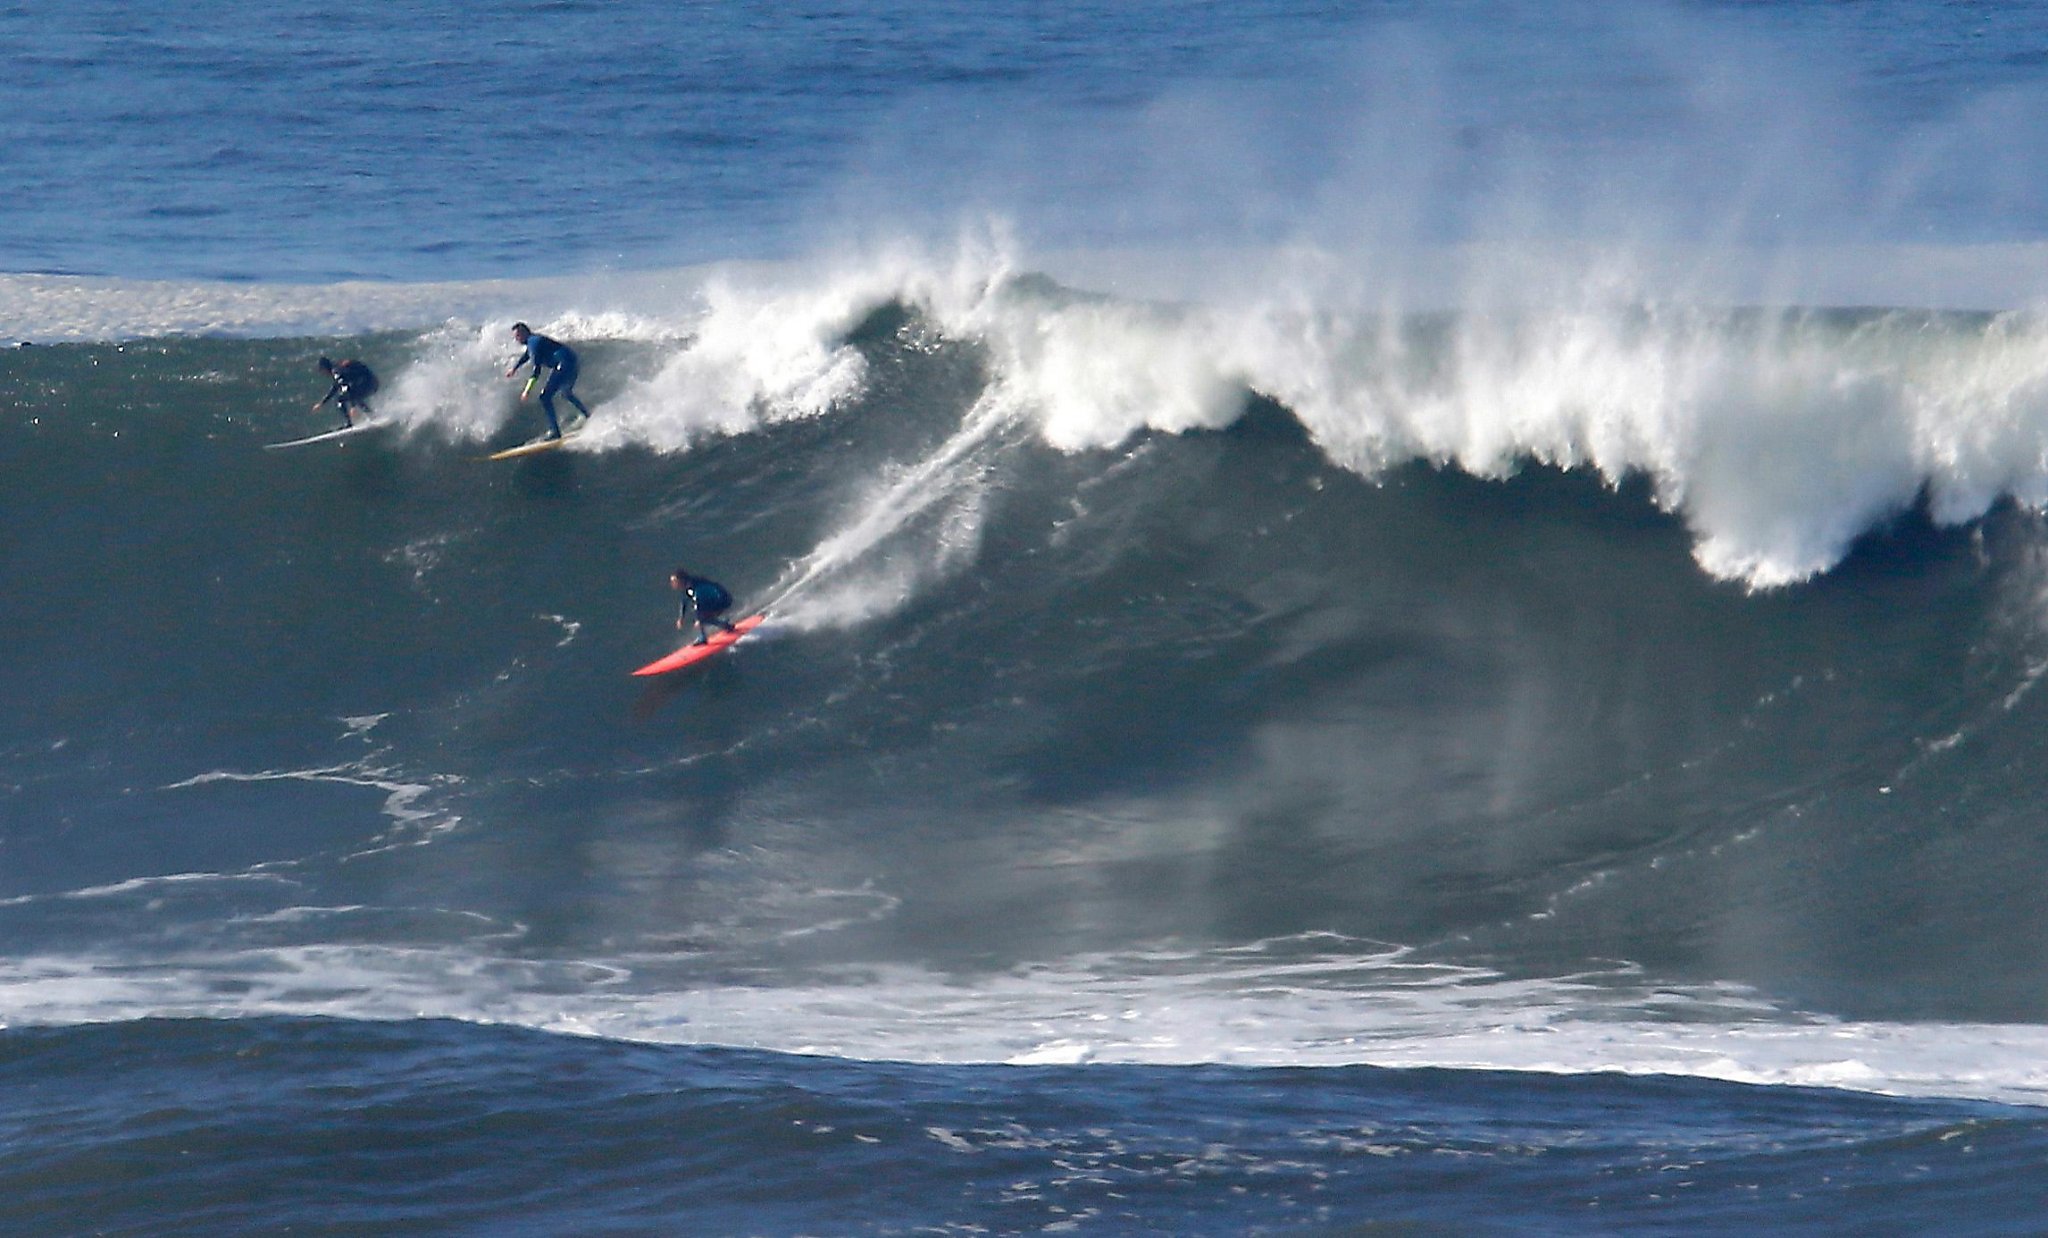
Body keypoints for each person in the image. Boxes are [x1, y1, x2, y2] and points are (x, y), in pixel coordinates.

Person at [504, 322, 591, 440]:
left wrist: (527, 390)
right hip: (572, 362)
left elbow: (536, 370)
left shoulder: (533, 343)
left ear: (524, 333)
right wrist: (514, 369)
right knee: (566, 393)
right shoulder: (534, 341)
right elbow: (526, 355)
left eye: (517, 336)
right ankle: (588, 416)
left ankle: (555, 432)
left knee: (544, 397)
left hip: (564, 365)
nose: (516, 339)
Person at [671, 568, 739, 644]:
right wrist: (681, 618)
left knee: (700, 615)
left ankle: (704, 637)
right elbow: (684, 602)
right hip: (714, 600)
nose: (673, 584)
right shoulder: (688, 587)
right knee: (700, 616)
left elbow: (699, 602)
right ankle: (725, 625)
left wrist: (698, 620)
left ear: (682, 580)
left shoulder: (697, 586)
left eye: (675, 581)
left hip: (723, 600)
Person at [313, 356, 378, 428]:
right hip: (372, 382)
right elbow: (336, 387)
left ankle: (350, 423)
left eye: (321, 370)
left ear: (324, 368)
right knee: (349, 395)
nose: (322, 373)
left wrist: (353, 407)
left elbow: (348, 387)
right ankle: (372, 416)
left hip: (369, 384)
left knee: (341, 400)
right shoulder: (338, 367)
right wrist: (322, 403)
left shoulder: (336, 371)